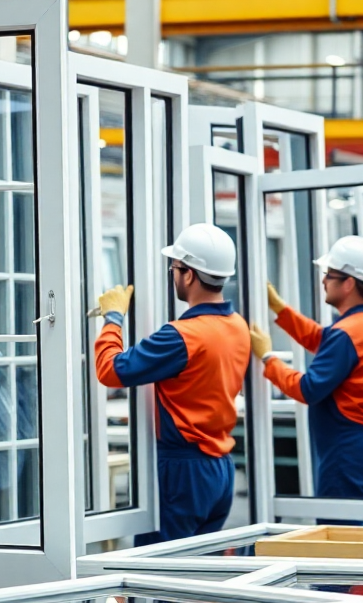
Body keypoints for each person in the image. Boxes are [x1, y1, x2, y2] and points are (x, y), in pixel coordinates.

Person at [94, 223, 250, 544]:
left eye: (175, 268)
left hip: (184, 471)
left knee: (156, 580)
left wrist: (113, 318)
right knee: (196, 574)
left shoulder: (182, 336)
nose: (173, 274)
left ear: (189, 274)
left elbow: (110, 370)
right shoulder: (237, 326)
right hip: (220, 468)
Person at [249, 236, 363, 513]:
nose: (324, 280)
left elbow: (308, 388)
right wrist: (281, 309)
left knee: (340, 541)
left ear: (348, 282)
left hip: (347, 450)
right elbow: (323, 339)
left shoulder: (347, 332)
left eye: (329, 274)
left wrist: (268, 358)